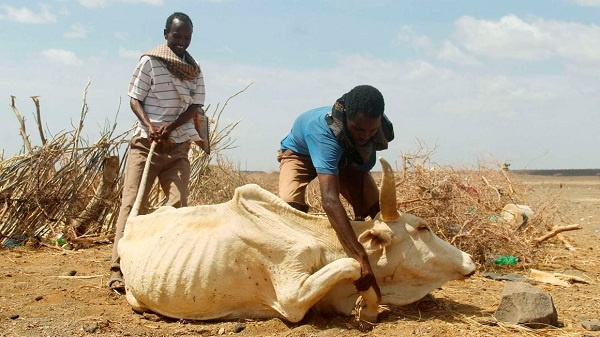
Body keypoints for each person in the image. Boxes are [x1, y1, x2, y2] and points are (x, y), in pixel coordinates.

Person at [108, 12, 206, 293]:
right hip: (146, 146)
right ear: (166, 34)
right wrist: (150, 126)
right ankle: (118, 269)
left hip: (177, 147)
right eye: (177, 36)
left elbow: (195, 107)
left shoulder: (195, 69)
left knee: (177, 205)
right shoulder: (149, 61)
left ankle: (163, 265)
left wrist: (171, 127)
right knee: (132, 205)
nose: (183, 42)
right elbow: (135, 98)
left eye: (187, 37)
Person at [277, 84, 394, 298]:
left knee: (377, 210)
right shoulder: (325, 132)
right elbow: (329, 200)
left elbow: (360, 166)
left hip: (343, 159)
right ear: (346, 119)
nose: (365, 136)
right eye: (358, 129)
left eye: (371, 130)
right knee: (288, 208)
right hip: (300, 155)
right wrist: (361, 258)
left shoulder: (377, 127)